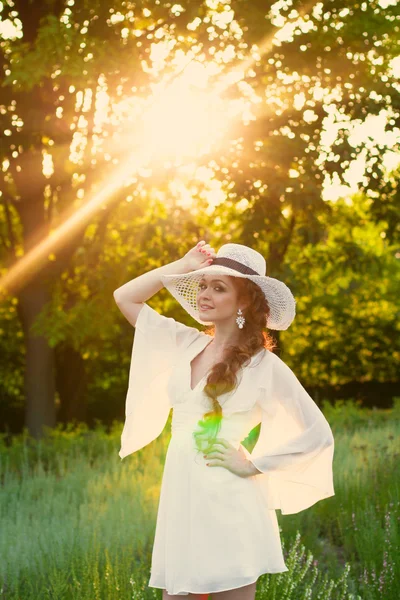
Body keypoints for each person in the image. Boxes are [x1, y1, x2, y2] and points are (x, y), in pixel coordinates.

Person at [113, 241, 335, 600]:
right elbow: (125, 297)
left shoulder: (263, 366)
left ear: (244, 302)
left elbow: (318, 433)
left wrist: (254, 465)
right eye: (203, 285)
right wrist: (183, 264)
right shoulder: (185, 344)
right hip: (181, 496)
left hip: (229, 501)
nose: (205, 294)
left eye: (219, 288)